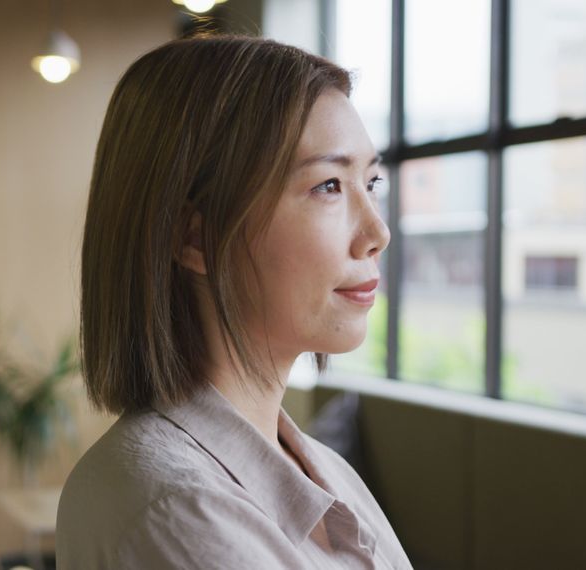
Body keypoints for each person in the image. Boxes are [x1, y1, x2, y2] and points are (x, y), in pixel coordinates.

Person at [57, 34, 413, 569]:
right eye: (328, 186)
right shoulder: (176, 511)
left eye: (372, 181)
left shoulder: (324, 470)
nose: (377, 231)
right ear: (195, 237)